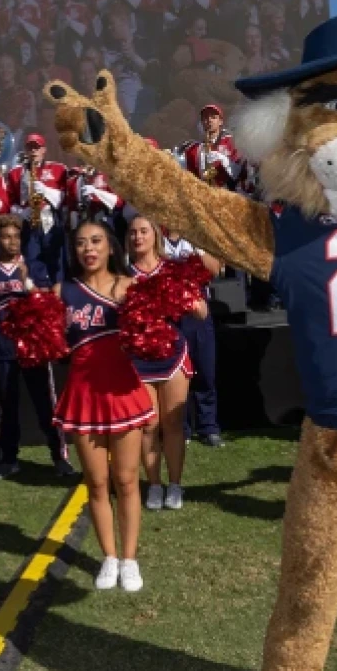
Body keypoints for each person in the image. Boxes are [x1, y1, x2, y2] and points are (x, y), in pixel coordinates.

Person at [55, 221, 154, 592]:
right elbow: (50, 342)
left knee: (126, 480)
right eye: (81, 243)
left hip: (122, 392)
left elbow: (153, 333)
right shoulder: (62, 291)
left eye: (96, 241)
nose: (88, 249)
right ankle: (108, 557)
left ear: (110, 247)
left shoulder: (128, 288)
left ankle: (130, 559)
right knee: (96, 482)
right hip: (83, 396)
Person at [0, 214, 73, 479]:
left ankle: (59, 456)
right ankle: (9, 459)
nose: (13, 242)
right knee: (8, 405)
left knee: (45, 404)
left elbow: (47, 303)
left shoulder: (33, 266)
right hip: (2, 347)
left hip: (32, 347)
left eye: (17, 237)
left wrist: (27, 282)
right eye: (6, 237)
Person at [127, 215, 208, 509]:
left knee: (174, 422)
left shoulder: (173, 271)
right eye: (133, 232)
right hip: (137, 359)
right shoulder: (122, 275)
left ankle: (175, 485)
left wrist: (183, 297)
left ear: (155, 236)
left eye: (144, 231)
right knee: (149, 426)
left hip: (172, 355)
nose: (138, 237)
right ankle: (154, 486)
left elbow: (201, 312)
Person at [160, 228, 224, 446]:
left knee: (205, 371)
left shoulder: (197, 235)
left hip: (197, 313)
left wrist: (197, 248)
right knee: (177, 373)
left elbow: (215, 269)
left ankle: (208, 427)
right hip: (169, 315)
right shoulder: (155, 236)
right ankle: (182, 427)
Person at [6, 135, 68, 287]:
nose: (33, 150)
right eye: (30, 147)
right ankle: (39, 295)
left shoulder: (58, 168)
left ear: (44, 150)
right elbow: (10, 202)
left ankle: (59, 292)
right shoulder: (15, 173)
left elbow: (64, 198)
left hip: (50, 219)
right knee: (32, 260)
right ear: (25, 150)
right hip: (29, 221)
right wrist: (22, 212)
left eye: (37, 147)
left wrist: (45, 190)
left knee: (56, 260)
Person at [178, 105, 241, 189]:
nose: (209, 120)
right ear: (202, 122)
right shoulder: (192, 148)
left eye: (213, 117)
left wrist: (224, 160)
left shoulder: (232, 142)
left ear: (220, 121)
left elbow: (238, 173)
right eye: (205, 118)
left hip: (226, 194)